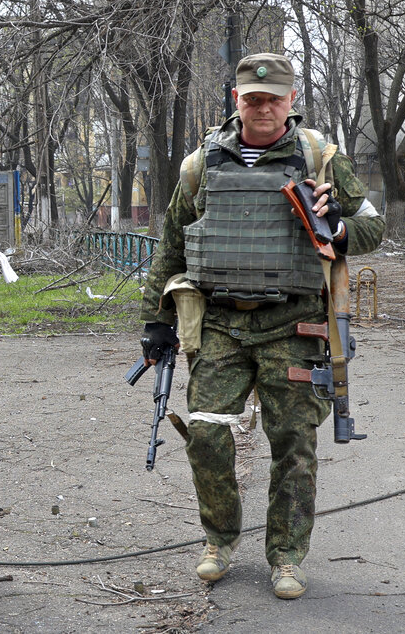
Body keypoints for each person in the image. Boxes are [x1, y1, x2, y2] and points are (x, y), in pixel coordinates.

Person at [138, 52, 384, 600]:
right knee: (204, 432)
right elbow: (173, 241)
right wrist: (157, 320)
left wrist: (338, 225)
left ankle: (287, 556)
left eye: (274, 99)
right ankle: (219, 540)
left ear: (292, 100)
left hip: (294, 323)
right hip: (221, 322)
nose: (263, 108)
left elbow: (374, 227)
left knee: (293, 441)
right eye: (253, 98)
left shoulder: (319, 158)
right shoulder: (203, 161)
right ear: (237, 100)